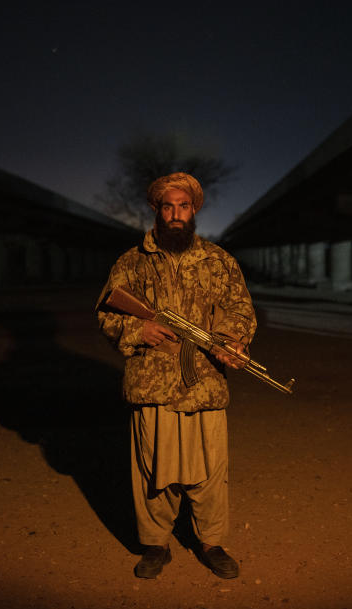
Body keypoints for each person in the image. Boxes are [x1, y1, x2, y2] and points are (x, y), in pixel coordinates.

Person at [96, 172, 256, 579]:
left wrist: (231, 341)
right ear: (156, 210)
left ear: (194, 210)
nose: (176, 214)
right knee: (152, 471)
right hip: (151, 383)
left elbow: (239, 310)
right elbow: (107, 313)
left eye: (183, 206)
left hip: (203, 381)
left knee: (210, 471)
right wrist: (138, 330)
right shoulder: (131, 262)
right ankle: (155, 545)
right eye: (168, 206)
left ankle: (212, 543)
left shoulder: (220, 261)